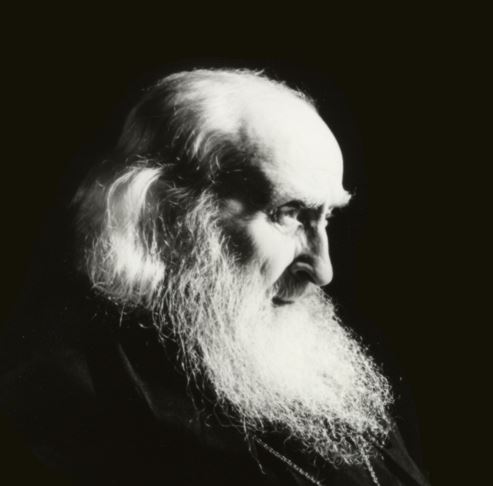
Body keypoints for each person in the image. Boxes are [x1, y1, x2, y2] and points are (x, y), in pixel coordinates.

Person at [0, 68, 430, 485]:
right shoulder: (68, 409)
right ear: (166, 217)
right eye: (290, 213)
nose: (322, 270)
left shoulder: (325, 377)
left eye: (327, 217)